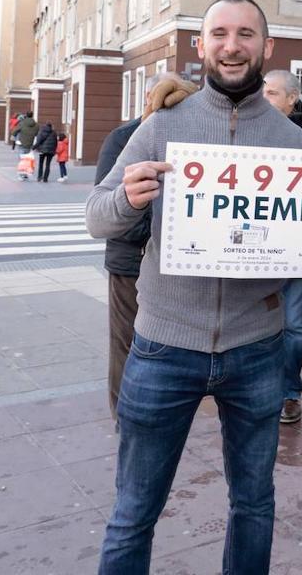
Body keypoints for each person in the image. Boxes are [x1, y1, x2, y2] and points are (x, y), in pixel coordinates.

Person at [86, 0, 302, 575]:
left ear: (266, 48)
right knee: (134, 511)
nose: (232, 45)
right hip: (165, 346)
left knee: (255, 505)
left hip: (257, 350)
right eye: (220, 33)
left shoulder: (295, 144)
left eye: (246, 34)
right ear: (202, 46)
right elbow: (97, 217)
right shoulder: (162, 125)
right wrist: (126, 197)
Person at [93, 72, 196, 420]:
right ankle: (124, 417)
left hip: (175, 263)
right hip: (130, 262)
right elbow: (104, 208)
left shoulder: (190, 138)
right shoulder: (124, 138)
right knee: (127, 345)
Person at [261, 68, 302, 425]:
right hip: (257, 246)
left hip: (297, 249)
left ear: (292, 98)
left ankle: (288, 393)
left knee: (293, 324)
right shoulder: (245, 131)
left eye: (271, 94)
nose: (263, 99)